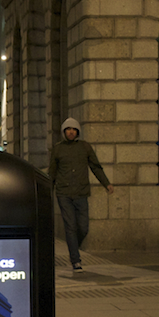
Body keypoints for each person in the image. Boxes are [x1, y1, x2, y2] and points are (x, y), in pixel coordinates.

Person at [48, 117, 114, 274]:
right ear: (64, 132)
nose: (71, 132)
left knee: (83, 227)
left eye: (73, 129)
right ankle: (75, 260)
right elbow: (52, 172)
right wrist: (47, 192)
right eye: (68, 129)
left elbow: (96, 167)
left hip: (81, 193)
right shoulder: (57, 149)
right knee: (70, 227)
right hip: (64, 193)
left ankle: (73, 247)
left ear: (77, 132)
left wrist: (107, 184)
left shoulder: (85, 147)